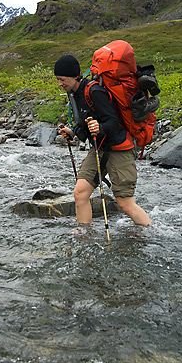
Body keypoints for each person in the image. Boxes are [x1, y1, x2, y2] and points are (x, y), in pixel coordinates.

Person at [54, 54, 152, 231]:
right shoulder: (74, 94)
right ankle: (85, 235)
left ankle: (151, 233)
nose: (60, 83)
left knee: (125, 203)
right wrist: (73, 132)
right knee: (80, 193)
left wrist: (100, 127)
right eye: (58, 80)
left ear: (75, 76)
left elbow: (113, 122)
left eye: (62, 79)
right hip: (99, 148)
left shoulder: (94, 91)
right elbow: (85, 126)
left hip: (119, 148)